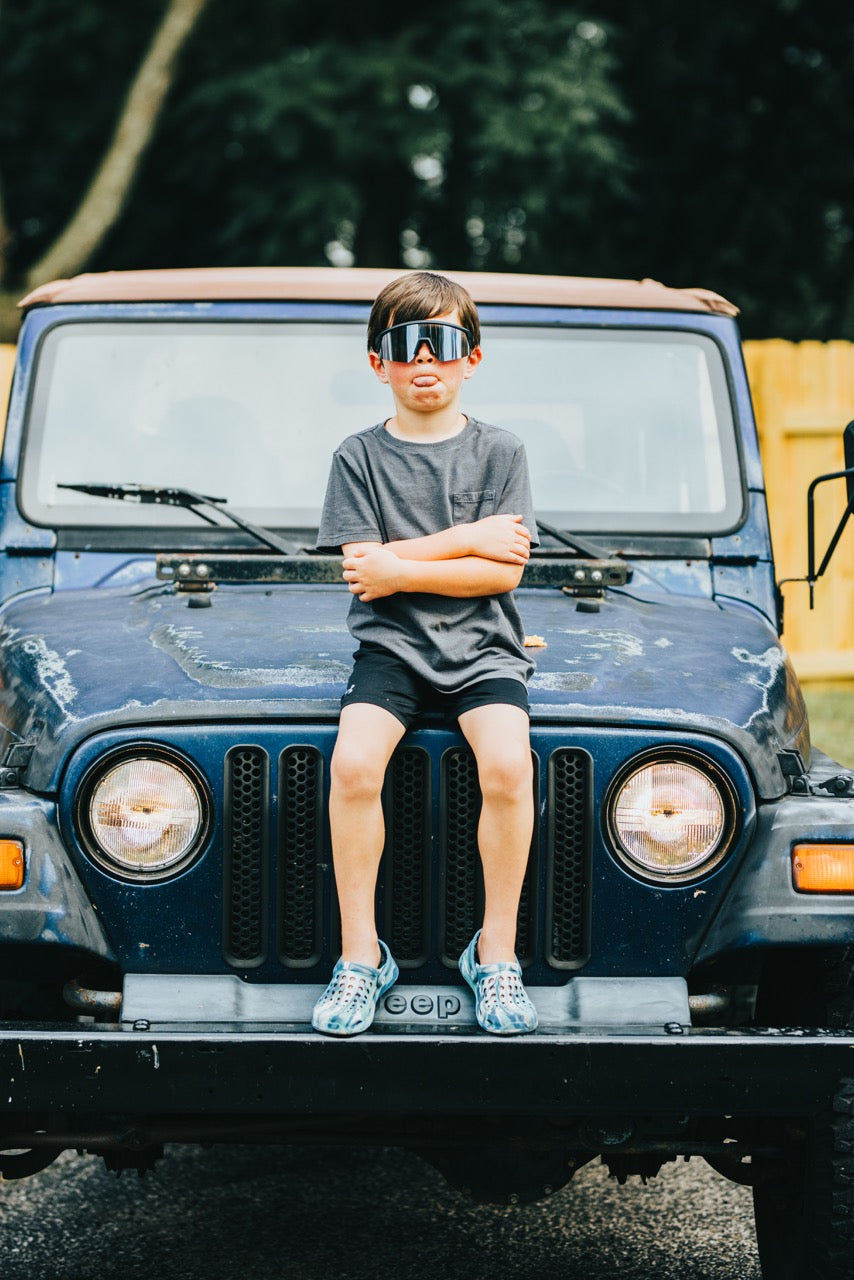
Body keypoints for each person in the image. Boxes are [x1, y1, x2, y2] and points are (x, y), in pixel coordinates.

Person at [313, 270, 539, 1038]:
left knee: (509, 767)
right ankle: (358, 957)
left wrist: (407, 565)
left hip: (485, 651)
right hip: (392, 652)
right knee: (352, 766)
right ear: (377, 362)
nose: (424, 362)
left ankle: (496, 954)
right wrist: (464, 540)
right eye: (403, 346)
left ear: (472, 357)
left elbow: (501, 571)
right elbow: (360, 573)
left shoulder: (500, 451)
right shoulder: (358, 458)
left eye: (442, 343)